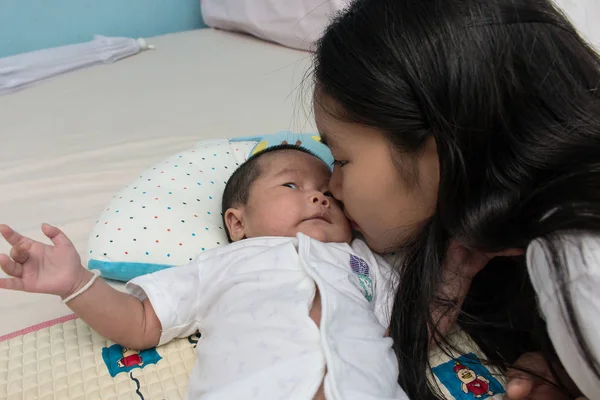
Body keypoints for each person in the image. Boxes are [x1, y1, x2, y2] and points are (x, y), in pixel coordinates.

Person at [310, 0, 600, 399]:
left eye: (341, 159)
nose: (331, 188)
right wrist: (566, 363)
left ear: (439, 149)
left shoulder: (580, 272)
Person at [0, 145, 408, 400]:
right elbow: (141, 322)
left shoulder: (364, 259)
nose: (319, 196)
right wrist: (76, 285)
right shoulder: (224, 263)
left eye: (330, 194)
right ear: (238, 223)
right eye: (291, 186)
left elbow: (413, 323)